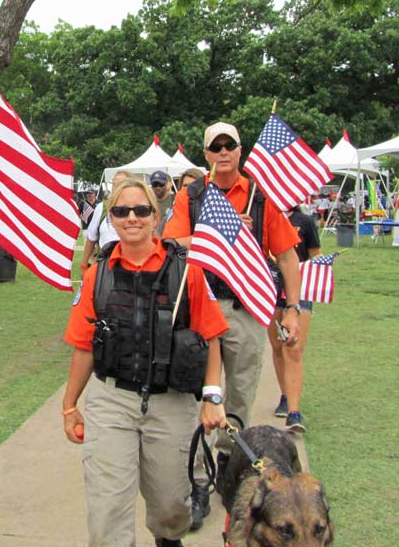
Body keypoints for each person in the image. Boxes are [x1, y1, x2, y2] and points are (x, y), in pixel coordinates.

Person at [62, 176, 228, 547]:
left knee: (171, 507)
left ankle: (168, 538)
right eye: (121, 211)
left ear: (156, 216)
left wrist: (212, 395)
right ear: (112, 219)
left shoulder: (186, 271)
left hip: (171, 401)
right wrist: (69, 404)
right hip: (112, 401)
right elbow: (84, 345)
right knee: (107, 511)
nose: (131, 218)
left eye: (141, 210)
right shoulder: (97, 276)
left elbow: (211, 334)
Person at [162, 121, 301, 521]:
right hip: (200, 309)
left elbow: (288, 254)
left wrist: (291, 306)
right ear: (205, 154)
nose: (223, 152)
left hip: (245, 311)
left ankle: (228, 468)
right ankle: (199, 478)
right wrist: (217, 230)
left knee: (239, 396)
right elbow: (172, 243)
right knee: (196, 395)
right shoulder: (192, 195)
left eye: (230, 145)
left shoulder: (260, 195)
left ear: (240, 150)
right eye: (215, 147)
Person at [268, 204, 321, 433]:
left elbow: (315, 255)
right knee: (278, 346)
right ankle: (284, 394)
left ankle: (294, 410)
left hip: (299, 291)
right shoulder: (265, 216)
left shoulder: (305, 221)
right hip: (270, 287)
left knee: (294, 348)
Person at [80, 170, 132, 270]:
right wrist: (84, 265)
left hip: (129, 266)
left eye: (120, 184)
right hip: (105, 267)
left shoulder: (138, 209)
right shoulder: (102, 208)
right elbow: (91, 238)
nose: (116, 187)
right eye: (114, 184)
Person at [149, 170, 174, 238]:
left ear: (167, 184)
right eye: (155, 185)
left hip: (170, 238)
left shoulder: (175, 200)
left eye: (161, 184)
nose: (158, 188)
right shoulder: (148, 203)